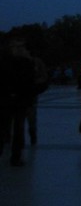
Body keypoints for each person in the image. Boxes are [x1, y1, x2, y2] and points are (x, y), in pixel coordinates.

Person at [0, 36, 36, 166]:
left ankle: (15, 155)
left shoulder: (6, 61)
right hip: (16, 99)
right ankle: (15, 156)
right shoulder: (26, 63)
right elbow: (30, 82)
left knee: (11, 127)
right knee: (13, 128)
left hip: (11, 99)